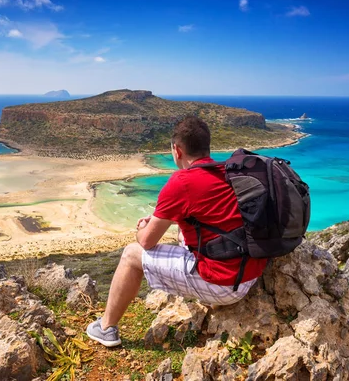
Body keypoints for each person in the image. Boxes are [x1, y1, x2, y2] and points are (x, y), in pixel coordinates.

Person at [86, 116, 268, 347]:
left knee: (131, 254)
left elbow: (146, 242)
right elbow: (212, 219)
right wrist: (164, 220)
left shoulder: (182, 182)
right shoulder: (226, 172)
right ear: (207, 146)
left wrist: (142, 228)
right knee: (183, 235)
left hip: (225, 285)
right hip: (249, 274)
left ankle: (106, 328)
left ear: (177, 150)